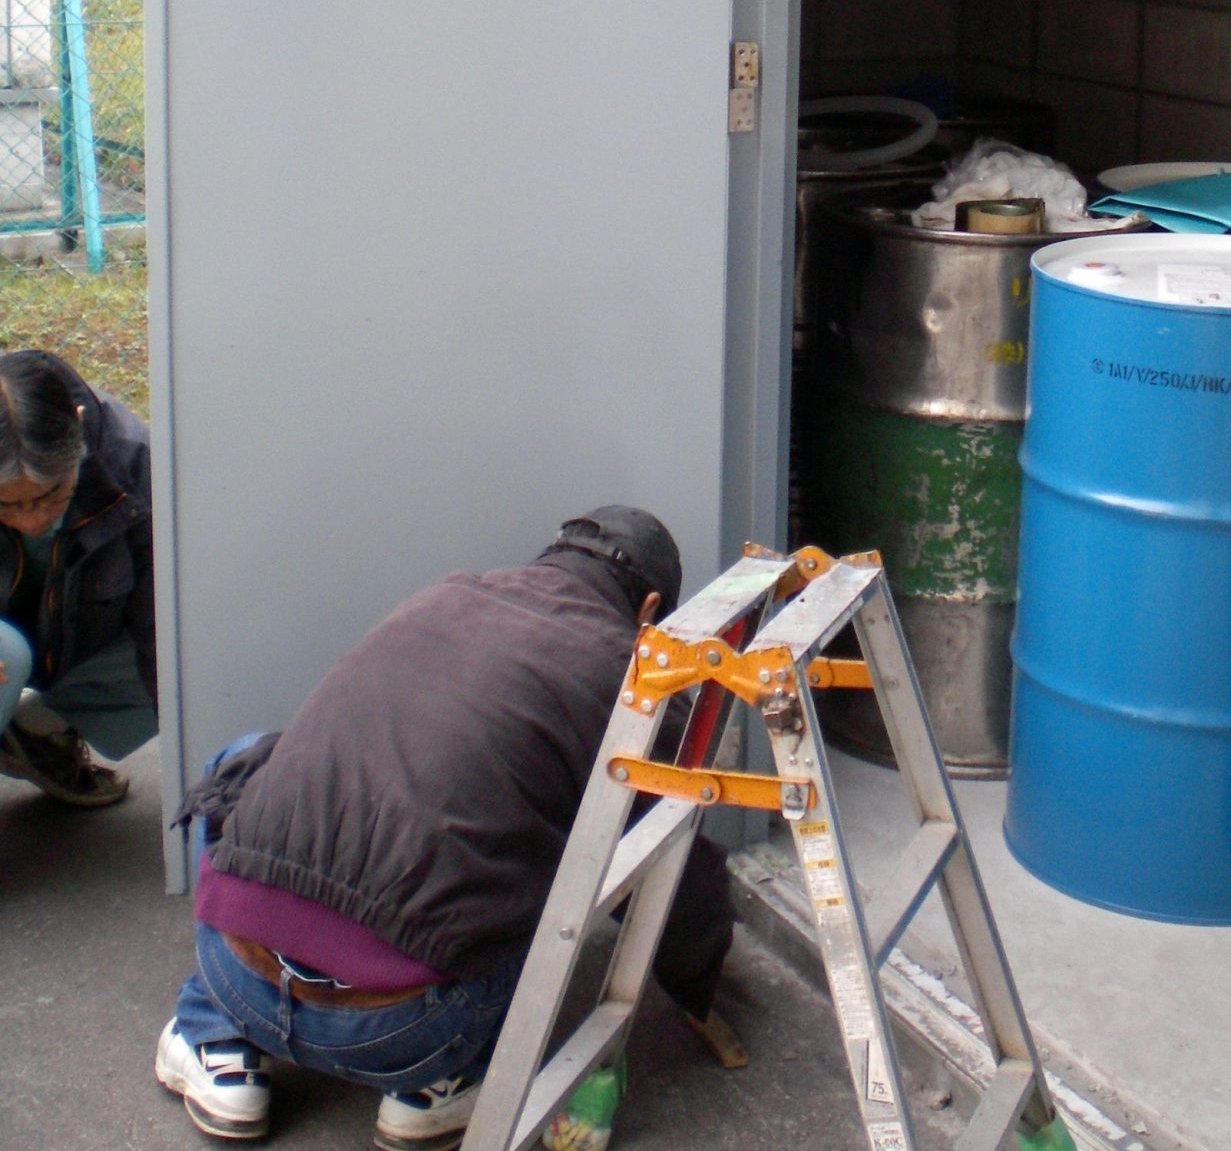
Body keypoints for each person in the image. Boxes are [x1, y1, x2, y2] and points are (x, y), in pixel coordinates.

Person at [156, 506, 734, 1151]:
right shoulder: (635, 679)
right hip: (407, 1032)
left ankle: (217, 1042)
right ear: (649, 609)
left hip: (239, 977)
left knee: (244, 756)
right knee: (557, 850)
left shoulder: (446, 593)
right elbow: (670, 866)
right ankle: (433, 1086)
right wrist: (700, 981)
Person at [0, 347, 155, 807]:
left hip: (83, 642)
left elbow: (160, 627)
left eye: (51, 494)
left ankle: (37, 734)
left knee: (185, 651)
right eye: (7, 504)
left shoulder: (136, 464)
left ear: (79, 423)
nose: (31, 520)